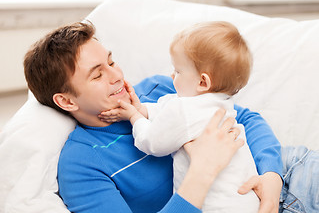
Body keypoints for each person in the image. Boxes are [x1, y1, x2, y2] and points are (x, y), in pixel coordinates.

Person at [23, 21, 283, 213]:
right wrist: (203, 170)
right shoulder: (82, 163)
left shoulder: (162, 88)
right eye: (97, 74)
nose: (117, 76)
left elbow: (246, 117)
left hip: (281, 179)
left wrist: (272, 176)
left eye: (111, 63)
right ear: (66, 101)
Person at [99, 21, 259, 212]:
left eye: (178, 71)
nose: (171, 76)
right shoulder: (219, 105)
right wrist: (143, 110)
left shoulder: (183, 110)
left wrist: (134, 116)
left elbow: (152, 142)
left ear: (202, 81)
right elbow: (167, 110)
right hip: (248, 201)